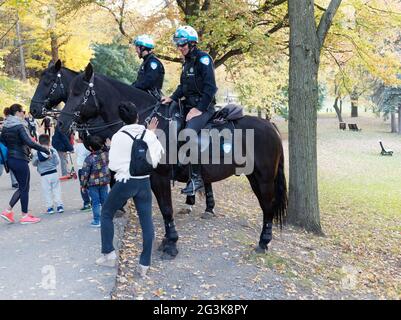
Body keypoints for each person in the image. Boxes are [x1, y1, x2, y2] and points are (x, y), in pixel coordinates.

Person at [96, 102, 163, 277]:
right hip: (144, 182)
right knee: (146, 222)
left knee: (106, 213)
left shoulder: (118, 136)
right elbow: (155, 159)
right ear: (137, 116)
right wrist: (151, 134)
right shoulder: (148, 134)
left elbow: (113, 165)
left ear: (122, 119)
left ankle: (109, 254)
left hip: (126, 182)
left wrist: (112, 148)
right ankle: (144, 264)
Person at [161, 25, 218, 196]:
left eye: (182, 44)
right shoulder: (186, 63)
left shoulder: (203, 60)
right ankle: (178, 168)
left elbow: (210, 88)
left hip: (204, 107)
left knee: (188, 133)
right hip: (187, 106)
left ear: (192, 44)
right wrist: (172, 97)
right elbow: (183, 86)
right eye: (177, 45)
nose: (179, 48)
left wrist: (199, 109)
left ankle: (196, 178)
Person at [0, 104, 50, 224]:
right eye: (23, 111)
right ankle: (24, 216)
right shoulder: (19, 126)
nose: (24, 113)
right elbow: (29, 142)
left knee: (23, 187)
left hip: (11, 160)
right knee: (24, 188)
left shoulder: (6, 126)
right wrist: (44, 149)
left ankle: (8, 211)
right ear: (17, 112)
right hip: (20, 159)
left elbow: (4, 143)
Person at [80, 135, 110, 227]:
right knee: (105, 200)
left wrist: (83, 185)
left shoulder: (89, 159)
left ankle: (97, 221)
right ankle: (106, 219)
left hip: (93, 185)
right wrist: (108, 145)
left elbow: (84, 174)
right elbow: (109, 149)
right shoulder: (106, 154)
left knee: (95, 202)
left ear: (90, 147)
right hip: (104, 182)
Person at [32, 134, 64, 214]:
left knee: (47, 191)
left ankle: (50, 207)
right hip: (54, 173)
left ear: (39, 142)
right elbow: (57, 161)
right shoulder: (53, 150)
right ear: (49, 141)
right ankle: (59, 205)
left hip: (44, 175)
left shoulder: (37, 152)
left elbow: (34, 163)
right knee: (56, 189)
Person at [132, 34, 165, 100]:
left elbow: (148, 82)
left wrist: (133, 87)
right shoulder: (146, 61)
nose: (136, 50)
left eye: (137, 47)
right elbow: (140, 81)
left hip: (151, 97)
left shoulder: (153, 62)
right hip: (144, 94)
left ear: (142, 48)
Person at [75, 135, 92, 211]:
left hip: (81, 168)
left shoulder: (78, 146)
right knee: (91, 185)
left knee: (83, 186)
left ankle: (86, 203)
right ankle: (93, 201)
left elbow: (74, 151)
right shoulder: (88, 145)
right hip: (89, 167)